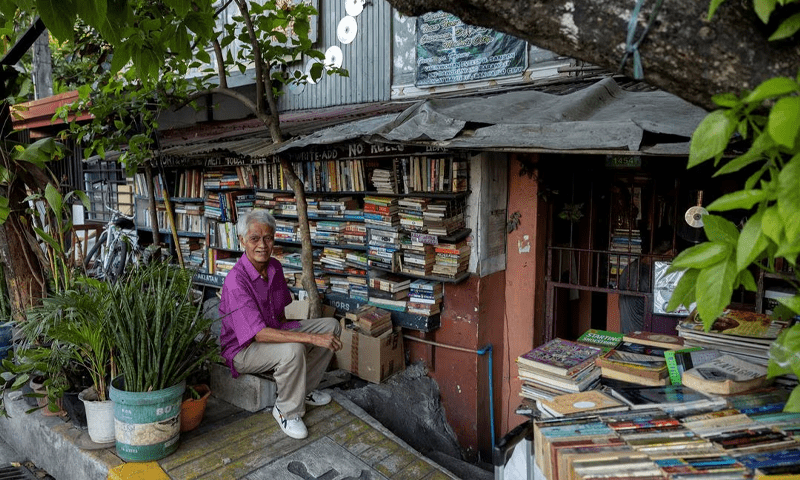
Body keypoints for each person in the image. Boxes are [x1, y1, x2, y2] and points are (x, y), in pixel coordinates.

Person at [218, 209, 342, 440]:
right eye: (255, 238)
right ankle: (286, 410)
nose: (262, 245)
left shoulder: (274, 267)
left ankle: (302, 391)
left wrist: (306, 333)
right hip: (243, 349)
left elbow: (281, 316)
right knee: (293, 349)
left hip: (272, 330)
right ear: (242, 241)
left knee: (330, 327)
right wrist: (310, 339)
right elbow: (260, 335)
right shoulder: (236, 281)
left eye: (268, 237)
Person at [618, 228, 674, 333]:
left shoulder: (629, 268)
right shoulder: (652, 275)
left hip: (628, 334)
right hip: (645, 339)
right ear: (669, 253)